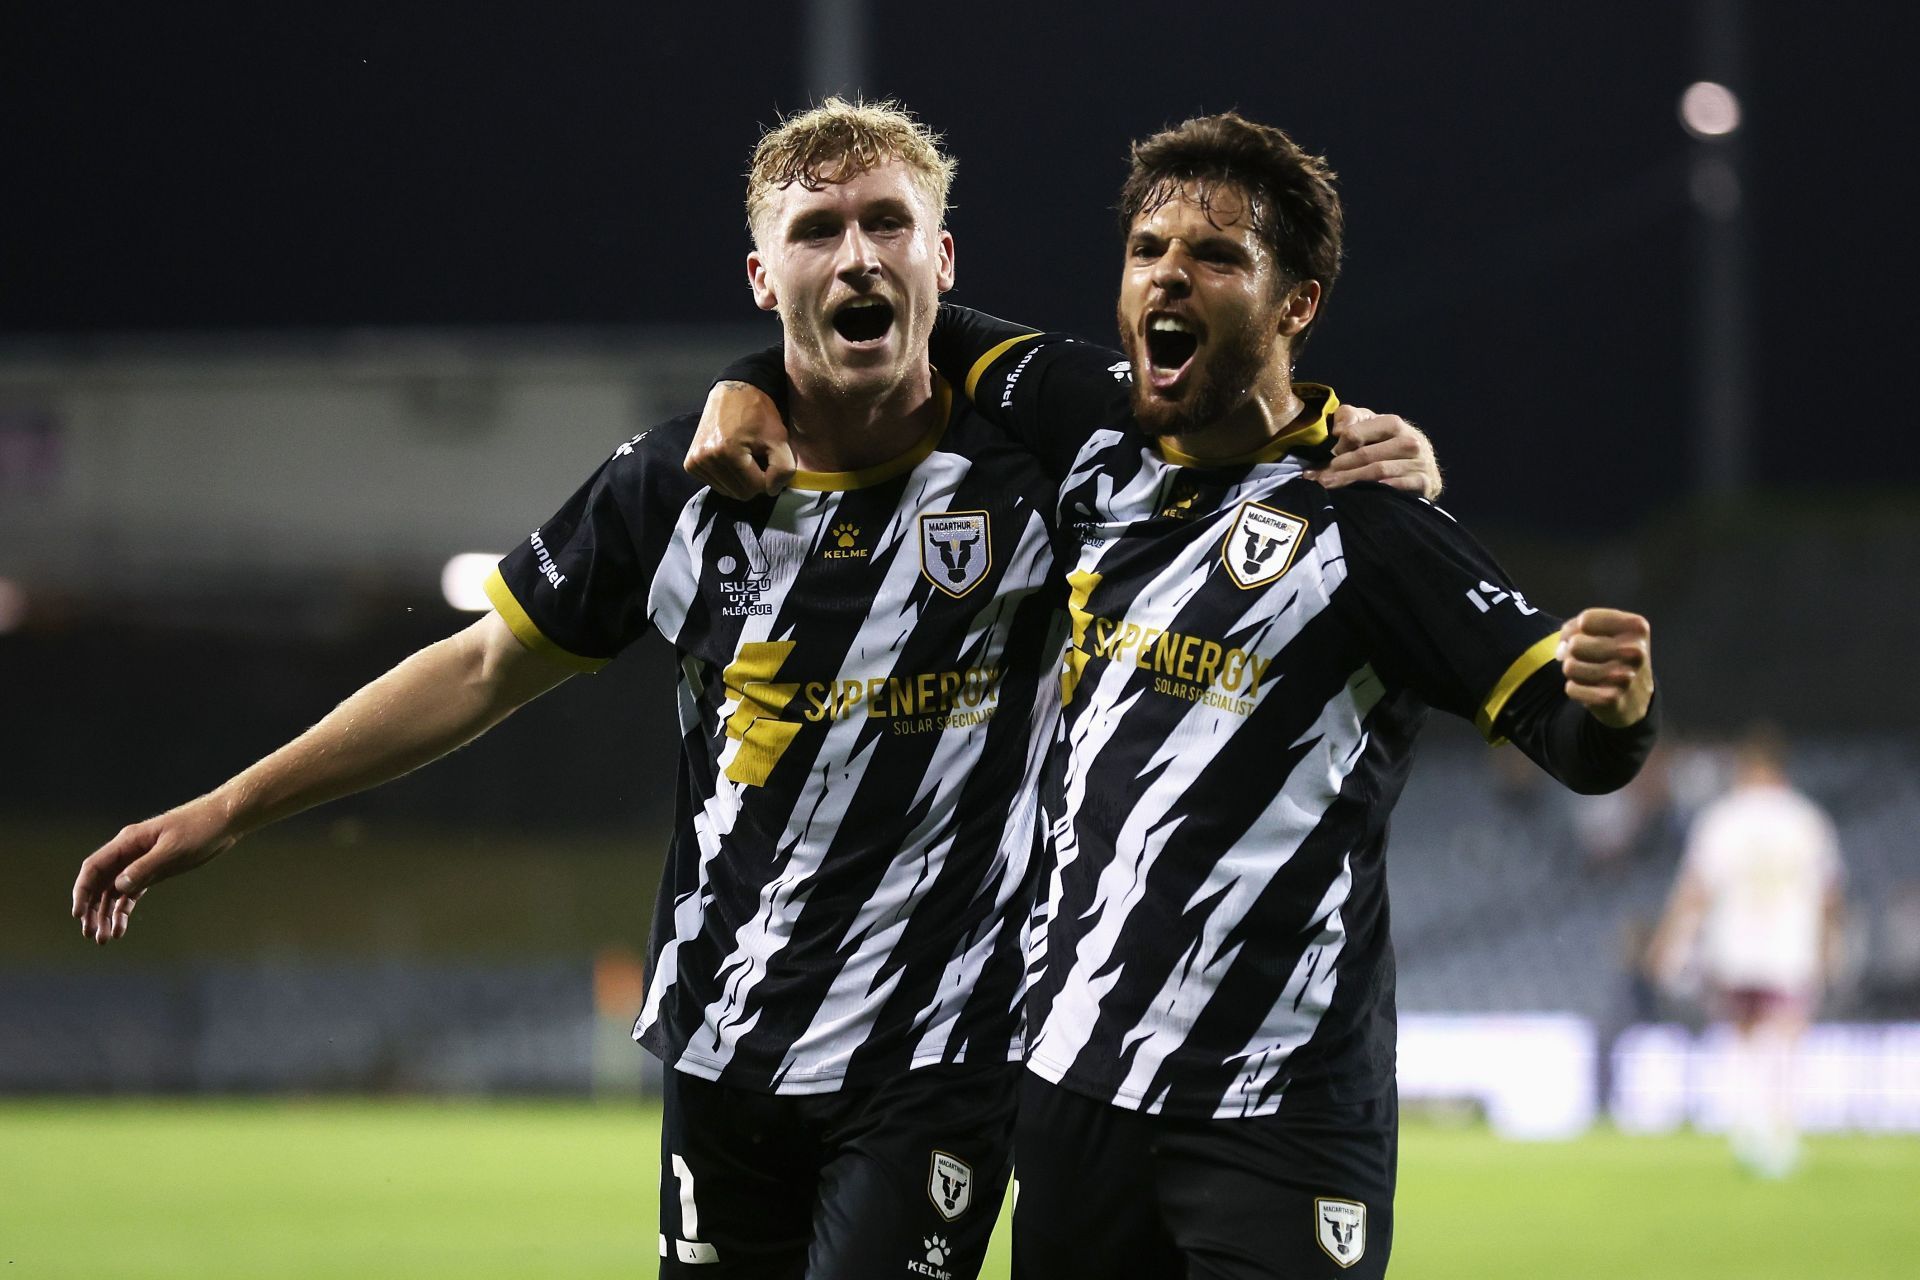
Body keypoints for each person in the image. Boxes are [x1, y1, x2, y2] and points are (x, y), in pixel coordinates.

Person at [68, 100, 1439, 1279]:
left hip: (939, 1059)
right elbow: (483, 666)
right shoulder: (672, 487)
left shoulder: (1048, 458)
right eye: (818, 231)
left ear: (941, 261)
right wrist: (229, 810)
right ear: (759, 274)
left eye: (890, 226)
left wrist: (1370, 444)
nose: (858, 255)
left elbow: (1223, 415)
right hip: (722, 1051)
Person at [691, 111, 1660, 1279]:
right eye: (1147, 248)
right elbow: (890, 319)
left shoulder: (1372, 521)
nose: (1167, 274)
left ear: (1294, 304)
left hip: (1277, 1113)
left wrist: (1611, 705)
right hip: (1071, 1090)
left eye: (1214, 256)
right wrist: (743, 382)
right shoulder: (1094, 438)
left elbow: (1567, 733)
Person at [1647, 724, 1844, 1178]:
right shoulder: (1806, 818)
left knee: (1741, 1038)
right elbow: (1830, 895)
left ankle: (1746, 1130)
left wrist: (1668, 943)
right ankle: (1782, 1135)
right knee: (1786, 1040)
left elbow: (1695, 891)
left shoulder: (1723, 816)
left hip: (1733, 946)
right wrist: (1832, 949)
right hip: (1789, 949)